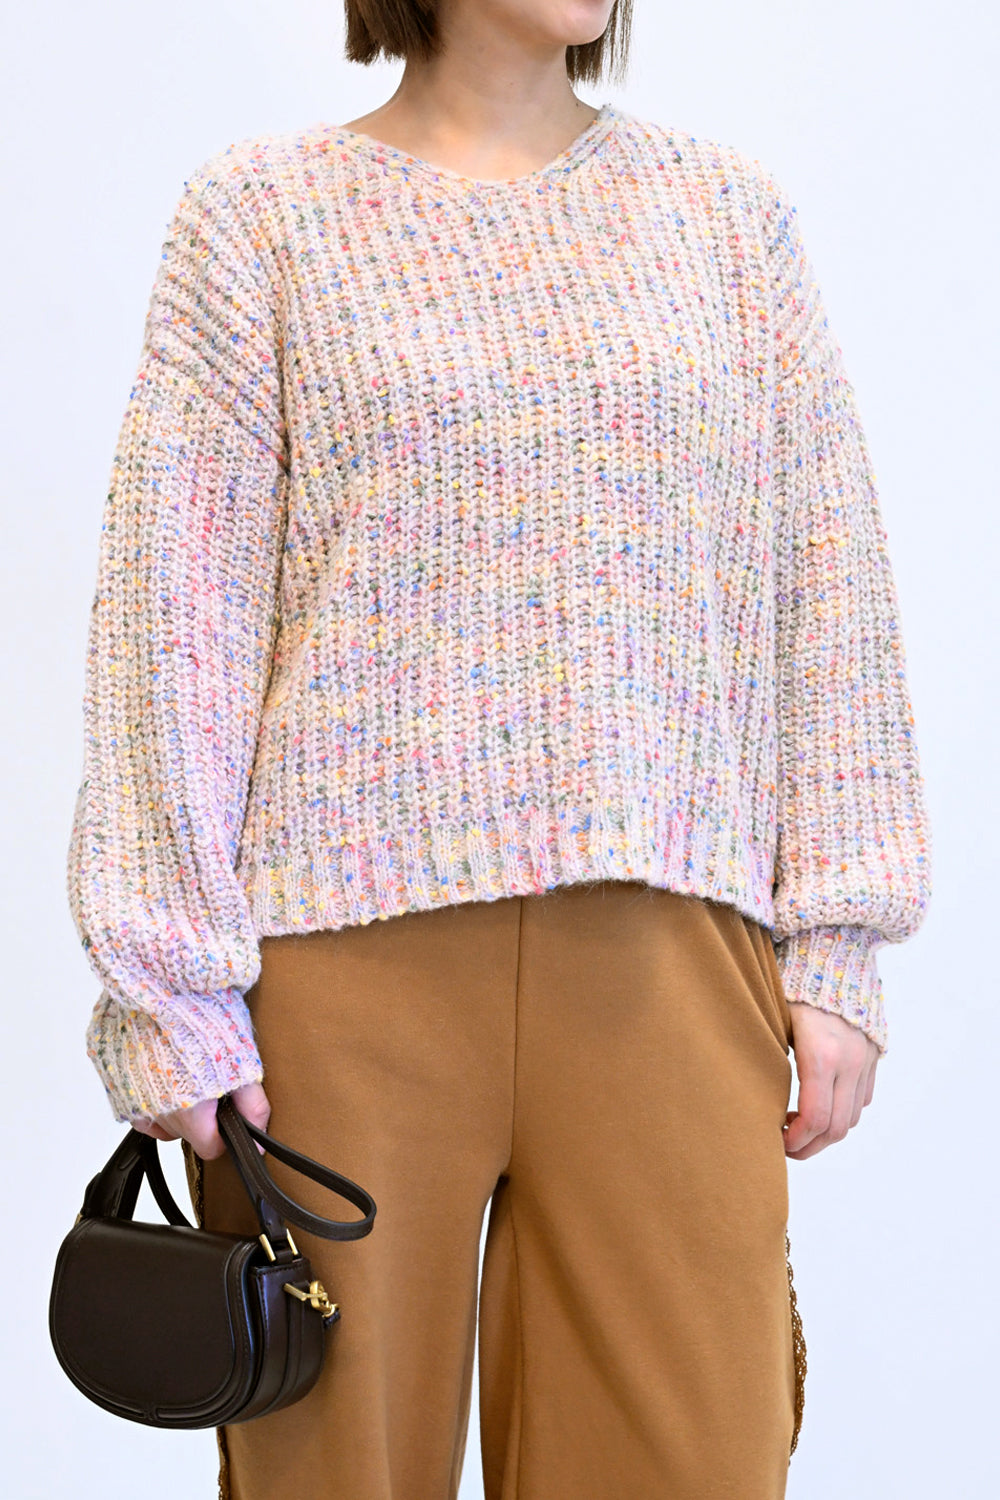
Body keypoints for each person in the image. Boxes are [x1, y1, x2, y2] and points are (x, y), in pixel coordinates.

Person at [65, 1, 932, 1495]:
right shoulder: (261, 218)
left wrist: (841, 936)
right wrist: (168, 992)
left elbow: (826, 573)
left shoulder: (731, 225)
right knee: (331, 1477)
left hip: (669, 969)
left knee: (690, 1462)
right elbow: (174, 612)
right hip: (340, 986)